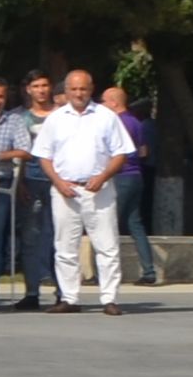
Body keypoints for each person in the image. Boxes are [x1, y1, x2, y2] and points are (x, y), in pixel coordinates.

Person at [37, 69, 129, 316]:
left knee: (107, 247)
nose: (79, 94)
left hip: (99, 190)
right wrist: (57, 182)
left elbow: (121, 153)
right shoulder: (55, 119)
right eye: (74, 89)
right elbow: (44, 156)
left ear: (91, 90)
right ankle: (69, 298)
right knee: (65, 247)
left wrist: (103, 176)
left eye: (83, 89)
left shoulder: (106, 117)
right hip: (66, 190)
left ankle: (110, 299)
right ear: (66, 91)